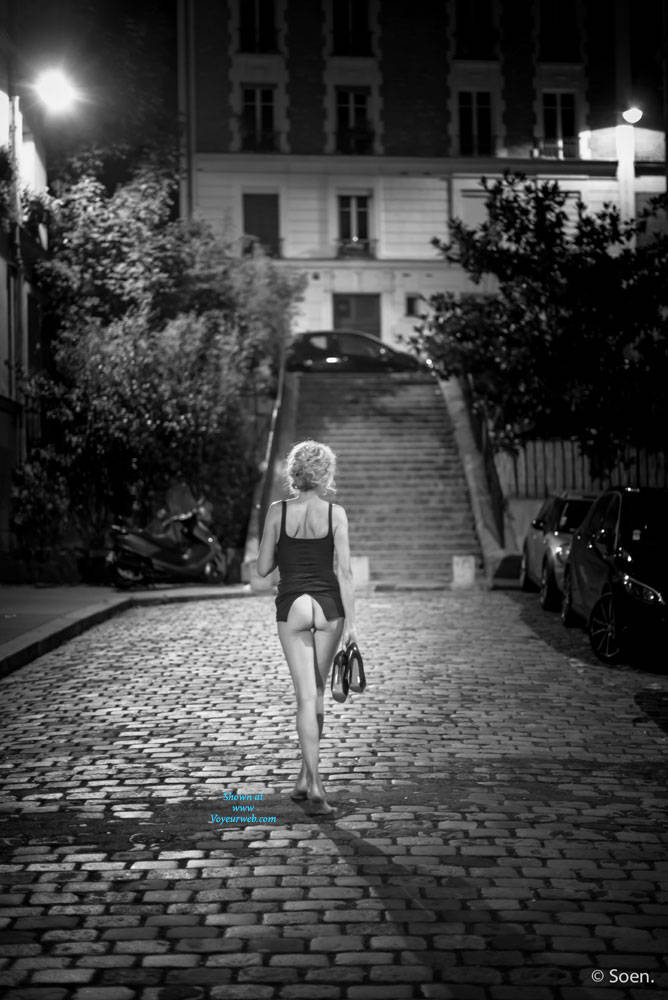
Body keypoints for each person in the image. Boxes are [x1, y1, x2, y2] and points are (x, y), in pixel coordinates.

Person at [256, 439, 357, 814]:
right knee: (317, 693)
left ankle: (312, 782)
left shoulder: (277, 511)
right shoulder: (336, 514)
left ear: (294, 473)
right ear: (326, 474)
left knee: (305, 698)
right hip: (329, 608)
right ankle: (307, 779)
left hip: (293, 606)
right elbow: (345, 573)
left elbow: (263, 569)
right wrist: (352, 627)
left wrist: (279, 549)